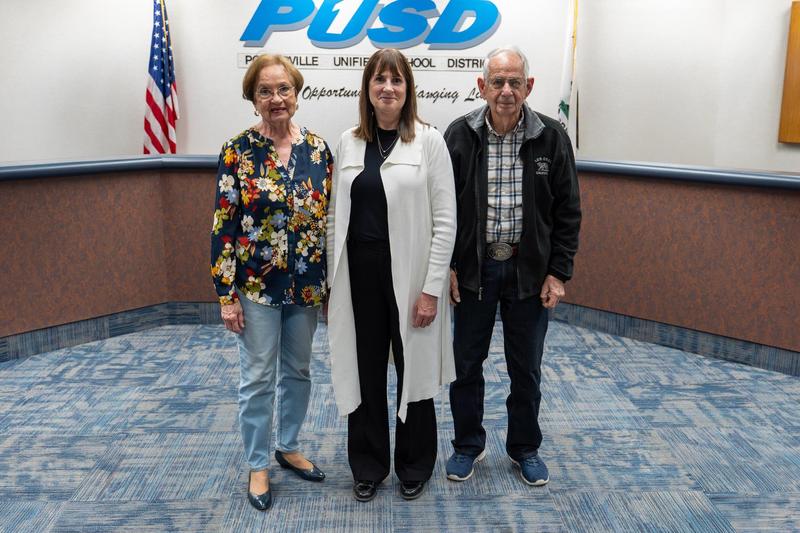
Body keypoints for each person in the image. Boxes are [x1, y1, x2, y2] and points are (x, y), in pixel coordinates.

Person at [443, 46, 581, 486]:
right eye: (497, 82)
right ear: (481, 86)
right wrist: (445, 267)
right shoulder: (458, 136)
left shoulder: (552, 137)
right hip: (474, 272)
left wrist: (558, 272)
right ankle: (468, 445)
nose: (506, 91)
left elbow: (568, 212)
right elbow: (441, 209)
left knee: (526, 367)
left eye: (514, 82)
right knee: (466, 364)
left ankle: (524, 448)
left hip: (530, 273)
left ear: (529, 87)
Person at [326, 48, 457, 502]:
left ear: (408, 90)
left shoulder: (428, 141)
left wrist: (431, 290)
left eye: (396, 80)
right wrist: (331, 283)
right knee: (363, 371)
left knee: (413, 370)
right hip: (357, 275)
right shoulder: (348, 141)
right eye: (379, 79)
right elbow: (332, 218)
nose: (387, 88)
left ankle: (415, 465)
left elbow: (446, 222)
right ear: (367, 88)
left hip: (410, 276)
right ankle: (368, 465)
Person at [210, 54, 332, 511]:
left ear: (296, 93)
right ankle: (258, 462)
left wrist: (331, 285)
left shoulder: (319, 151)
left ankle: (289, 445)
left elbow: (328, 222)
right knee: (258, 377)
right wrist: (226, 295)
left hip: (306, 287)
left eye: (284, 89)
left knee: (299, 372)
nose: (276, 98)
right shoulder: (236, 151)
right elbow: (224, 226)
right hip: (257, 289)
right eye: (266, 91)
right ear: (253, 98)